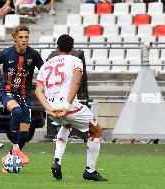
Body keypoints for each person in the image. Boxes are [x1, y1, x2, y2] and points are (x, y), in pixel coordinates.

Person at [35, 34, 107, 181]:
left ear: (57, 48)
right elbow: (76, 82)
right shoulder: (76, 60)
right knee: (96, 131)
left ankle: (57, 161)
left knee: (66, 124)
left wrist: (48, 109)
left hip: (52, 109)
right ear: (73, 49)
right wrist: (66, 106)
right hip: (69, 107)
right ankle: (90, 171)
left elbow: (38, 90)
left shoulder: (46, 64)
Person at [0, 25, 44, 173]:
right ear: (15, 39)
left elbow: (44, 70)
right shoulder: (6, 53)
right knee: (17, 111)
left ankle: (9, 159)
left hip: (25, 95)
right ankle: (15, 148)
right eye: (21, 37)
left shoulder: (34, 55)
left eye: (26, 37)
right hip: (8, 92)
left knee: (25, 133)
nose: (24, 40)